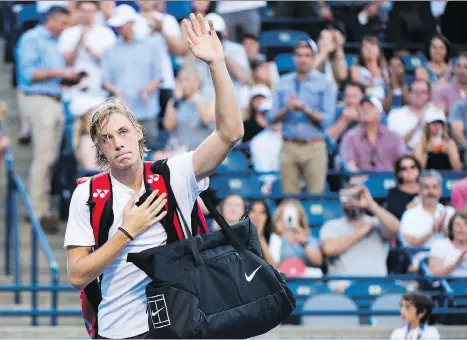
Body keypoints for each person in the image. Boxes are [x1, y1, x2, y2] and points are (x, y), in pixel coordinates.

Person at [64, 13, 244, 339]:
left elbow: (230, 133)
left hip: (177, 325)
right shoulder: (88, 194)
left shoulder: (173, 173)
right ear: (100, 150)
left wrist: (216, 63)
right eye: (107, 138)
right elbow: (77, 275)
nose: (117, 142)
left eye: (122, 131)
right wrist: (125, 233)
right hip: (116, 330)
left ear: (137, 132)